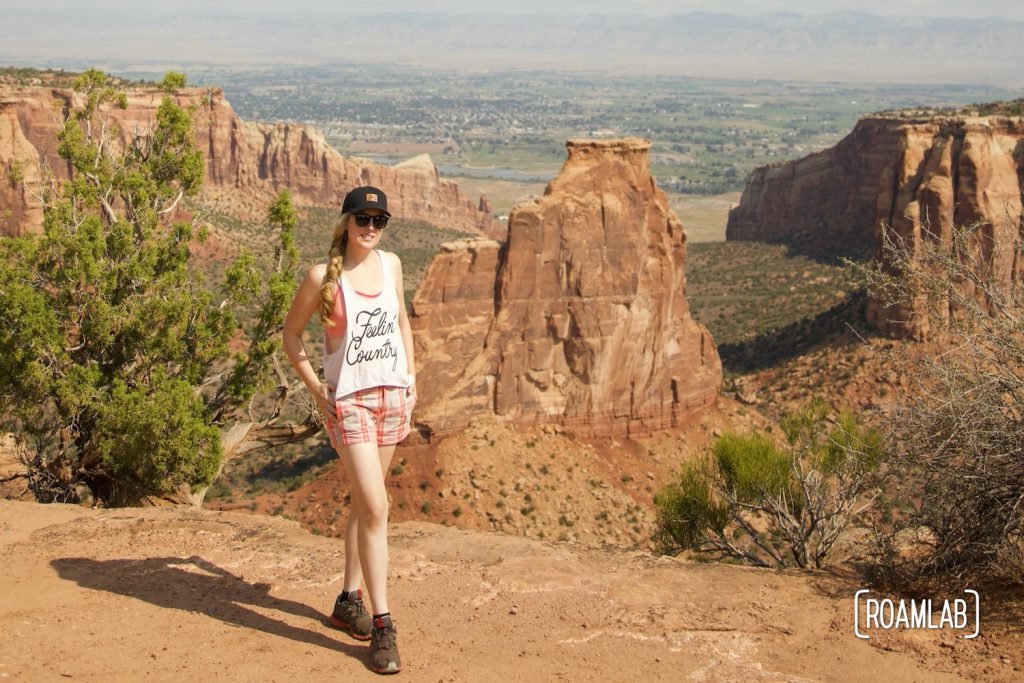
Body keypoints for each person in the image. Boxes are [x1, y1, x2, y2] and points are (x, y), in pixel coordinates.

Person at [282, 186, 415, 675]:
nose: (372, 228)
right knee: (377, 505)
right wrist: (319, 391)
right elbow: (290, 335)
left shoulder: (393, 265)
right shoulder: (323, 278)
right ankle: (382, 625)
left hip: (391, 396)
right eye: (363, 218)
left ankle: (347, 599)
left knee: (365, 504)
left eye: (379, 219)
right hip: (351, 405)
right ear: (346, 222)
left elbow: (402, 321)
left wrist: (412, 378)